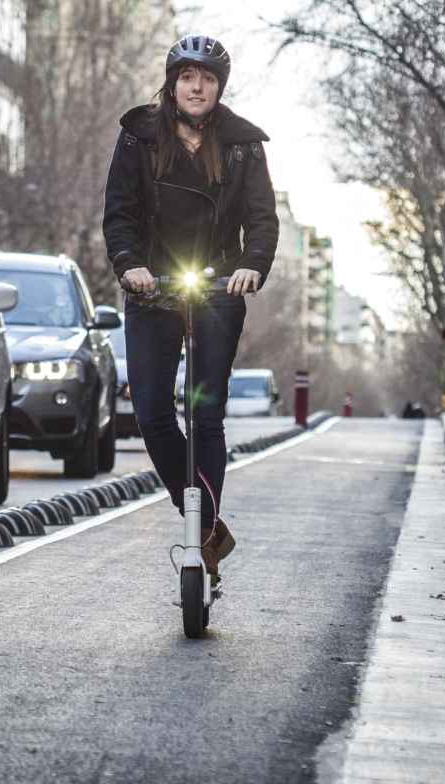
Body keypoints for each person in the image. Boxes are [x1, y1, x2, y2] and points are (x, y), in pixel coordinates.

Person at [103, 35, 279, 584]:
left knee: (206, 413)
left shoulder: (244, 145)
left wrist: (252, 265)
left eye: (206, 78)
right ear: (172, 83)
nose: (196, 87)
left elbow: (263, 219)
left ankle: (201, 534)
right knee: (153, 411)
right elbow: (119, 214)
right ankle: (203, 525)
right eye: (186, 77)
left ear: (219, 86)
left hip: (218, 287)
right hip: (152, 286)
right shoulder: (138, 137)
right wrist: (129, 264)